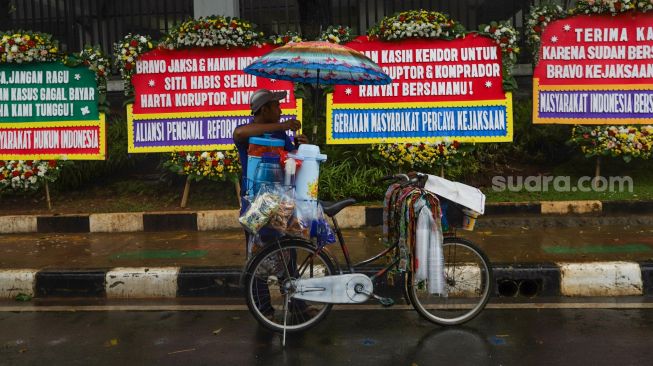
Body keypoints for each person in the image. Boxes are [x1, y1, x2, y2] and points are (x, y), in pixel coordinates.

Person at [233, 88, 316, 322]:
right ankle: (263, 311)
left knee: (288, 255)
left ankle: (297, 306)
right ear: (264, 109)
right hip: (255, 205)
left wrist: (299, 147)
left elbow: (292, 161)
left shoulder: (282, 137)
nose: (280, 110)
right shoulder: (249, 132)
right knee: (257, 258)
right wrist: (282, 126)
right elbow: (239, 132)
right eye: (276, 106)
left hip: (281, 203)